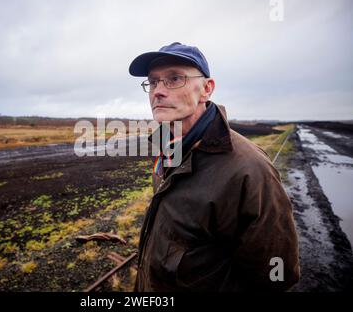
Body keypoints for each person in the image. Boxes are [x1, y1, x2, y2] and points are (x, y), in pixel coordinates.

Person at [128, 42, 300, 291]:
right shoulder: (167, 147)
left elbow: (276, 277)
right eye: (153, 82)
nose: (158, 91)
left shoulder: (250, 171)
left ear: (207, 88)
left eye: (174, 79)